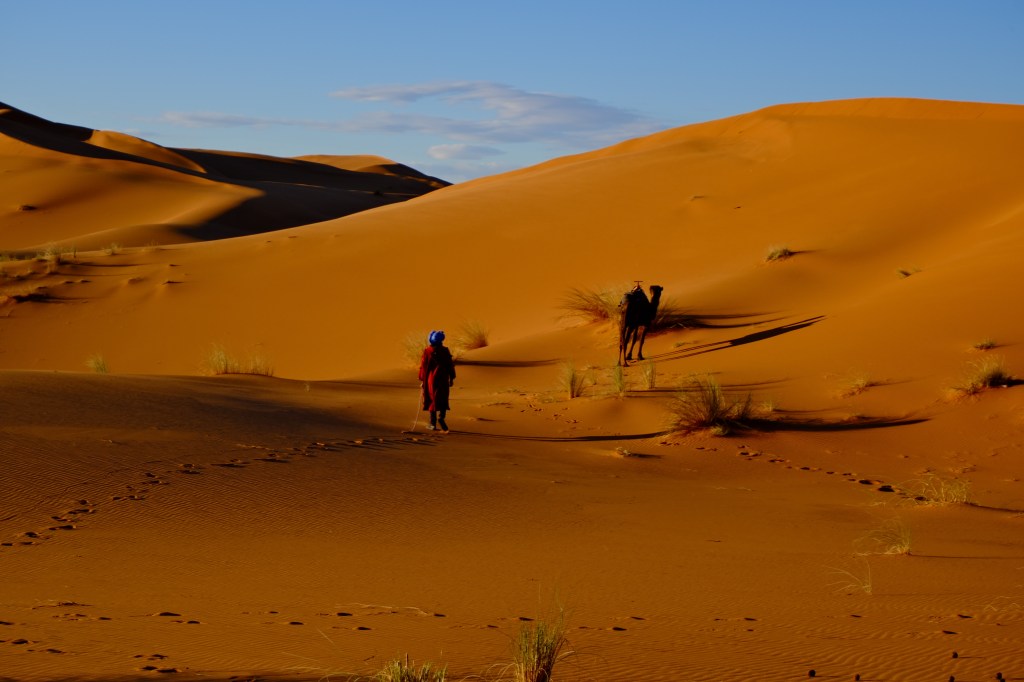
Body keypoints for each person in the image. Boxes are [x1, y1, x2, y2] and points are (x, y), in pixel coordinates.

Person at [418, 330, 456, 432]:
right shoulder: (445, 350)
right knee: (443, 398)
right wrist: (451, 378)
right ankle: (441, 418)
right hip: (443, 379)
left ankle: (432, 423)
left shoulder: (427, 351)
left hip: (431, 380)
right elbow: (450, 365)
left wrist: (422, 379)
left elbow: (423, 366)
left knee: (432, 399)